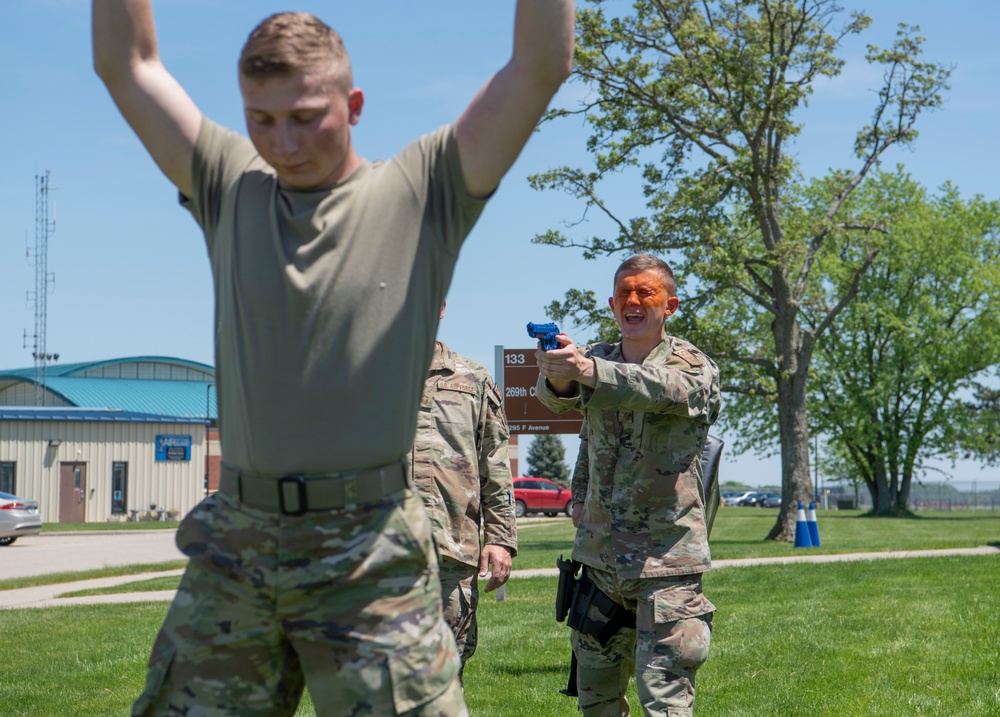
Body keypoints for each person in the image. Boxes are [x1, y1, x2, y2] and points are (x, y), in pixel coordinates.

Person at [92, 2, 574, 715]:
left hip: (369, 547)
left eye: (305, 116)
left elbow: (540, 65)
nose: (281, 142)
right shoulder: (228, 187)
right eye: (261, 119)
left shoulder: (422, 191)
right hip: (239, 544)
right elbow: (127, 65)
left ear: (353, 105)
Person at [535, 254, 722, 717]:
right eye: (624, 293)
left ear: (670, 305)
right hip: (599, 563)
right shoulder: (596, 357)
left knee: (665, 703)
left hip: (665, 565)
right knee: (594, 701)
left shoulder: (693, 366)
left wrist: (586, 371)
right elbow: (561, 407)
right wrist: (560, 374)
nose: (632, 301)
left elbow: (655, 388)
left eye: (645, 293)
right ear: (611, 302)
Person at [411, 304, 517, 675]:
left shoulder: (472, 379)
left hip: (451, 553)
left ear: (439, 307)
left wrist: (501, 538)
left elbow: (495, 465)